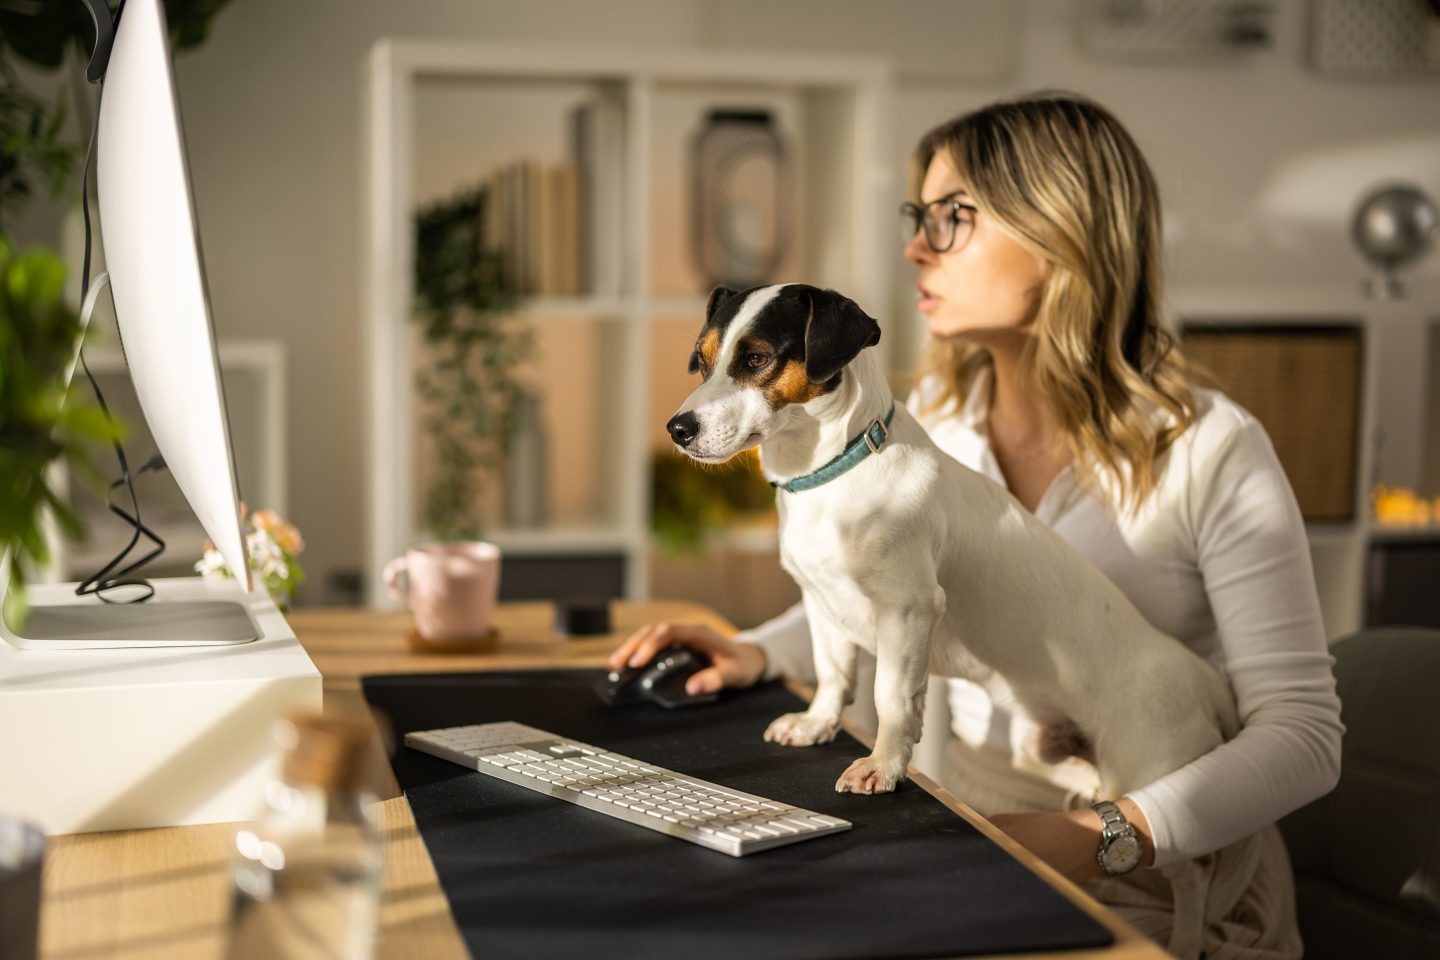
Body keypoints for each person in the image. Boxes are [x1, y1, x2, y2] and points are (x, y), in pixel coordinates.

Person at [611, 92, 1342, 957]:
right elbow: (893, 596)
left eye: (953, 219)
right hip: (976, 843)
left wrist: (1100, 837)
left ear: (1060, 232)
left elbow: (1304, 739)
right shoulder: (932, 424)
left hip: (1170, 876)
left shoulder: (1212, 449)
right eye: (918, 216)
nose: (917, 246)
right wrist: (760, 650)